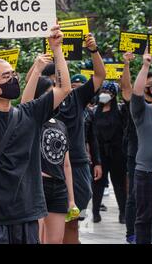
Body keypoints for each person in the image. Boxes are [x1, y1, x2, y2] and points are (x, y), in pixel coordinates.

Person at [0, 17, 71, 244]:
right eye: (6, 76)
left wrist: (57, 49)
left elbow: (64, 88)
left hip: (27, 213)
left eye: (13, 74)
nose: (13, 78)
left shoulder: (29, 113)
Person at [56, 34, 106, 244]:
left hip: (76, 166)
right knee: (52, 221)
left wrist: (93, 51)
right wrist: (54, 50)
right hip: (50, 168)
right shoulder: (46, 99)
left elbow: (99, 75)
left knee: (74, 219)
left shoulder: (78, 98)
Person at [21, 58, 76, 244]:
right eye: (48, 93)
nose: (54, 97)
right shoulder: (31, 119)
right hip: (37, 185)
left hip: (59, 187)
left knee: (55, 241)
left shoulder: (61, 124)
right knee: (35, 239)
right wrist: (37, 69)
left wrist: (71, 199)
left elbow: (66, 164)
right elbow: (25, 101)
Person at [121, 52, 152, 244]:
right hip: (147, 173)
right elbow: (135, 93)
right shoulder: (142, 111)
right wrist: (144, 67)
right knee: (144, 218)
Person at [92, 81, 128, 224]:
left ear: (113, 95)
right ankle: (95, 212)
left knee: (119, 184)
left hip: (118, 153)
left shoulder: (120, 110)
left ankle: (123, 213)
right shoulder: (94, 111)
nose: (104, 95)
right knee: (98, 184)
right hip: (99, 153)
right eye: (103, 91)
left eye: (108, 92)